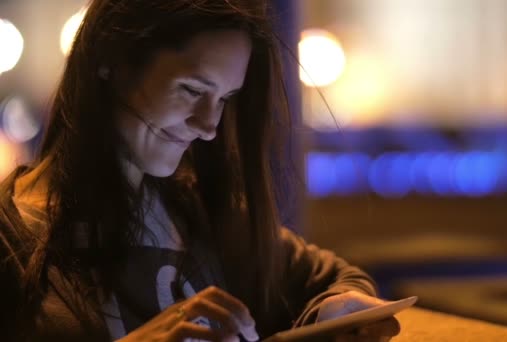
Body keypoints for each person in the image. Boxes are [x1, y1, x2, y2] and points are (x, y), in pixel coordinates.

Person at [0, 0, 400, 341]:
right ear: (111, 59)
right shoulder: (11, 236)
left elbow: (334, 279)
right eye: (191, 90)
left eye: (224, 98)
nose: (209, 127)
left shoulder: (199, 214)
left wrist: (337, 314)